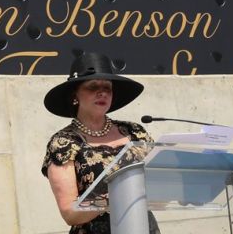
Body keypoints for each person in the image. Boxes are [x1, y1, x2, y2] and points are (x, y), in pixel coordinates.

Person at [40, 52, 159, 234]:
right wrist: (118, 197)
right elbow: (69, 213)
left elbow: (160, 181)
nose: (102, 92)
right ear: (75, 96)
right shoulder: (64, 143)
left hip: (143, 227)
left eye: (107, 88)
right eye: (92, 86)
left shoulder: (136, 132)